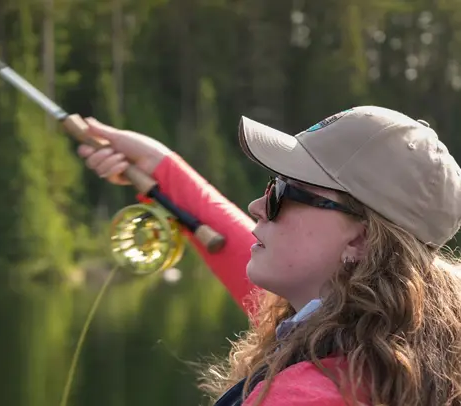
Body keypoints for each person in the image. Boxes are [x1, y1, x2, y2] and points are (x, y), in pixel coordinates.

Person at [77, 106, 461, 406]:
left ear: (360, 240)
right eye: (271, 184)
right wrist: (162, 170)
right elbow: (242, 250)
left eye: (284, 193)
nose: (257, 205)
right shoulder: (405, 342)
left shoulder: (306, 396)